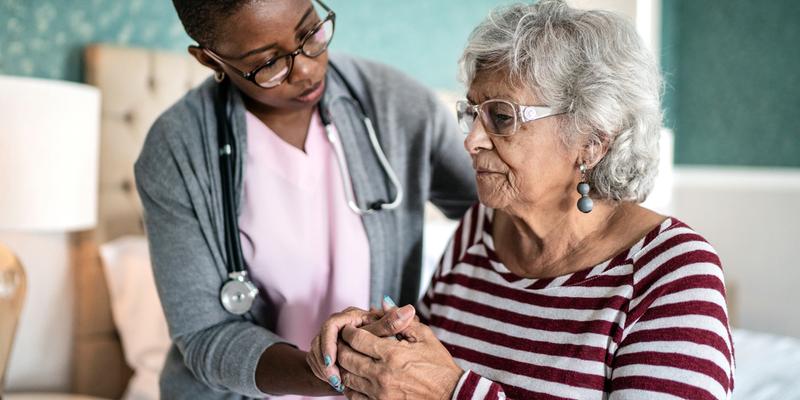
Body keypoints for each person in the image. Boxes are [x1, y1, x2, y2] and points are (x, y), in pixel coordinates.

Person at [308, 1, 735, 399]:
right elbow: (425, 370)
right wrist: (377, 349)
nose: (472, 140)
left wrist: (452, 392)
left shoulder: (672, 273)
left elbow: (441, 385)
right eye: (472, 114)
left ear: (590, 141)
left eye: (501, 117)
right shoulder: (481, 228)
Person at [133, 0, 477, 398]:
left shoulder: (396, 105)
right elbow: (206, 334)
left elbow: (499, 210)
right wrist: (336, 371)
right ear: (210, 61)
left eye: (309, 33)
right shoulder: (177, 150)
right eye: (268, 63)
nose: (307, 70)